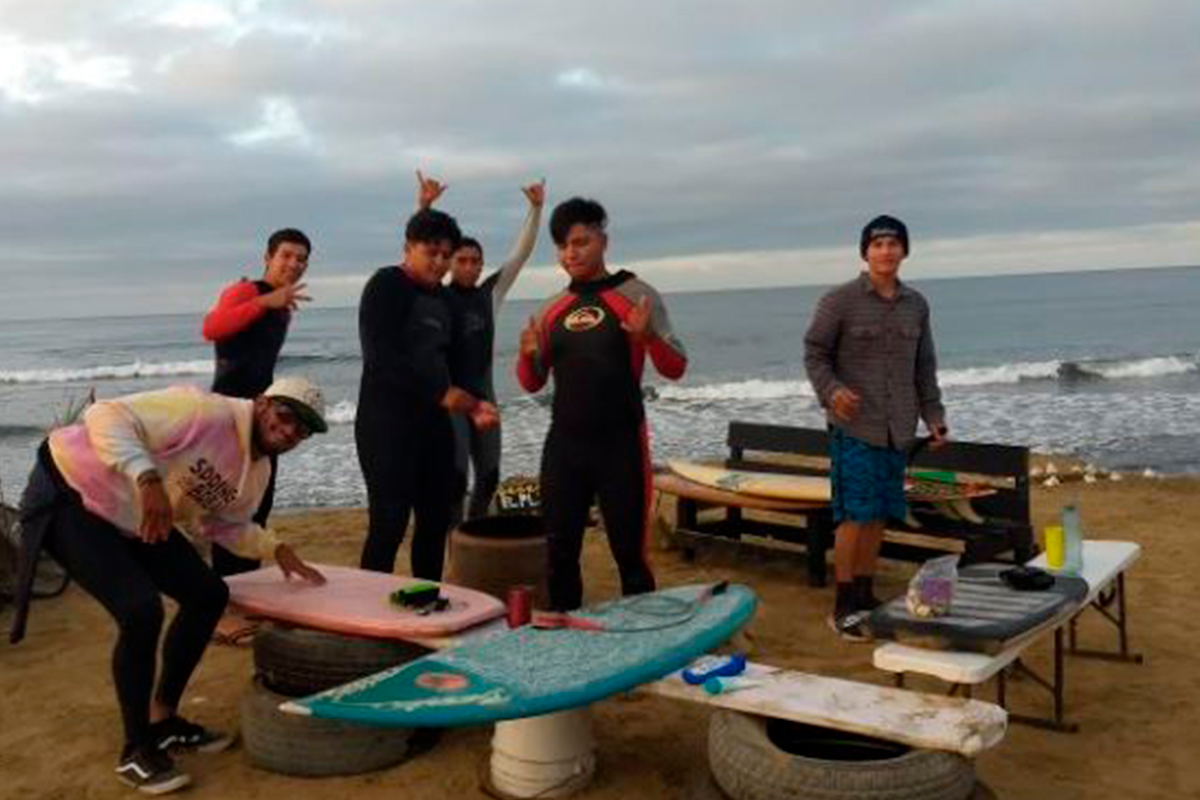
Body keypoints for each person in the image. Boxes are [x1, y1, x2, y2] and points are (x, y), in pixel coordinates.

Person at [8, 377, 329, 794]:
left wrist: (276, 547)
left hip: (134, 512)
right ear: (263, 403)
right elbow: (105, 414)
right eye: (286, 416)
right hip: (72, 490)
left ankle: (164, 722)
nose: (289, 432)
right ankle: (136, 750)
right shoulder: (205, 412)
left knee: (208, 595)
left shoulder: (257, 471)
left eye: (301, 430)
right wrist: (147, 478)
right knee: (141, 611)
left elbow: (219, 522)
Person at [516, 197, 687, 611]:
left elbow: (675, 367)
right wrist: (526, 356)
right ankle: (565, 637)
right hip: (565, 448)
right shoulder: (550, 310)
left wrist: (647, 338)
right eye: (562, 247)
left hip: (621, 444)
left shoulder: (637, 295)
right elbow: (532, 382)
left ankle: (644, 635)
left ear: (603, 241)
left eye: (580, 242)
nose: (570, 254)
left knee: (630, 555)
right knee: (558, 554)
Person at [803, 215, 947, 641]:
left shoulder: (916, 305)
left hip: (898, 428)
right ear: (865, 252)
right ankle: (843, 606)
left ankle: (865, 595)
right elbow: (815, 353)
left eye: (894, 243)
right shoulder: (839, 301)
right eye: (878, 243)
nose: (886, 250)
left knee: (881, 513)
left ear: (905, 251)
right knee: (854, 516)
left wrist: (934, 417)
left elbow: (924, 365)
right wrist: (832, 391)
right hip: (855, 428)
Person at [356, 206, 499, 578]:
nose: (439, 263)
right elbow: (381, 358)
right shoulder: (386, 286)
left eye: (445, 256)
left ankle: (426, 601)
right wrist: (442, 393)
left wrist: (475, 404)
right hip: (385, 424)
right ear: (408, 248)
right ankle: (369, 614)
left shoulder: (446, 301)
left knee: (435, 521)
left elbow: (460, 364)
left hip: (433, 426)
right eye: (430, 252)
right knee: (389, 523)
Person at [415, 171, 545, 521]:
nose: (470, 267)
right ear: (449, 262)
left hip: (485, 396)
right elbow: (419, 248)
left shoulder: (490, 295)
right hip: (451, 401)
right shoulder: (434, 295)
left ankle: (477, 535)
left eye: (476, 261)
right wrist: (424, 206)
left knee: (489, 478)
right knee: (455, 480)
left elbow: (520, 255)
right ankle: (455, 543)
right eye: (462, 260)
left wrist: (536, 209)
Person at [201, 228, 312, 577]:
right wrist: (264, 301)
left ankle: (247, 593)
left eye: (302, 259)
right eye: (286, 255)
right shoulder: (246, 290)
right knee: (231, 511)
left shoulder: (284, 306)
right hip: (229, 417)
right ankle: (230, 595)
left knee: (257, 510)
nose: (294, 264)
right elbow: (211, 328)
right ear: (268, 257)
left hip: (262, 418)